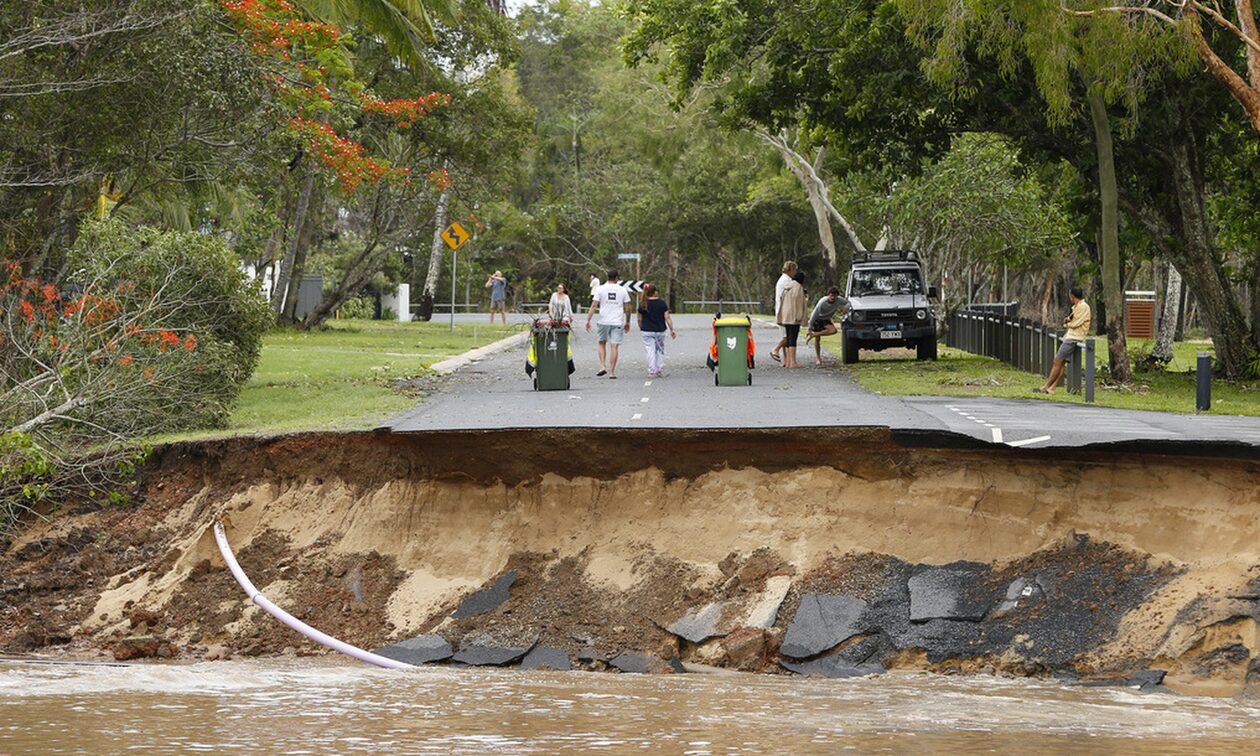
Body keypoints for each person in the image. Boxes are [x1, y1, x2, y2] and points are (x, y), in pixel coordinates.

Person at [1035, 285, 1092, 395]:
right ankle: (1052, 387)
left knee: (1057, 360)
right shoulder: (1076, 307)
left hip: (1073, 338)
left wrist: (1066, 323)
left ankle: (1046, 386)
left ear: (1072, 296)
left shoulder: (1083, 306)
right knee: (1061, 363)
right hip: (1071, 336)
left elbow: (1077, 323)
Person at [585, 268, 632, 378]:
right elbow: (628, 307)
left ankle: (602, 366)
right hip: (617, 321)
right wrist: (628, 321)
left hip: (603, 321)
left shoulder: (600, 289)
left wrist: (588, 319)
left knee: (601, 342)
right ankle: (612, 372)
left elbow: (594, 305)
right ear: (616, 278)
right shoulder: (622, 290)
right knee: (614, 346)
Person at [637, 283, 676, 378]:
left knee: (650, 350)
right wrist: (672, 329)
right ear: (654, 292)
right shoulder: (661, 303)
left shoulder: (642, 304)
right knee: (660, 350)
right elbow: (667, 317)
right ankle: (659, 369)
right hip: (660, 330)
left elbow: (639, 319)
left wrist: (641, 327)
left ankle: (652, 370)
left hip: (646, 330)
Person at [804, 287, 849, 365]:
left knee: (833, 330)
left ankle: (813, 335)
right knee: (817, 340)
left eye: (834, 296)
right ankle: (818, 358)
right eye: (831, 295)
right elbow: (814, 314)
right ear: (828, 295)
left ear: (837, 296)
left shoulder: (839, 300)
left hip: (826, 319)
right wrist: (810, 327)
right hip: (817, 319)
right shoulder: (822, 302)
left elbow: (848, 302)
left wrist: (846, 307)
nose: (833, 298)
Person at [776, 270, 807, 368]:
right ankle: (793, 362)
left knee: (789, 338)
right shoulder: (798, 287)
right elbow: (799, 303)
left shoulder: (787, 287)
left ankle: (789, 361)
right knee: (793, 338)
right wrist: (800, 317)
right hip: (794, 316)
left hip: (786, 315)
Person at [770, 260, 798, 363]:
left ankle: (786, 360)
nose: (795, 272)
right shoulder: (787, 281)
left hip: (780, 310)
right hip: (784, 311)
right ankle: (775, 349)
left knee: (784, 335)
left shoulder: (783, 279)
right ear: (790, 269)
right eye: (794, 269)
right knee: (788, 336)